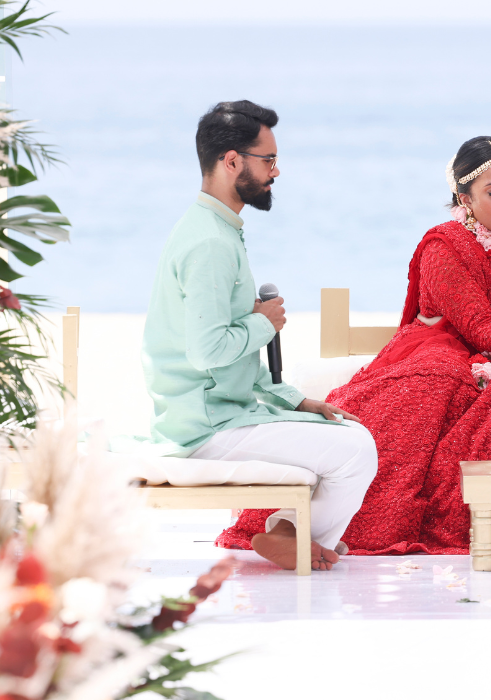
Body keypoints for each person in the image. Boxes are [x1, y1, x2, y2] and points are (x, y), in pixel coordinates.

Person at [217, 136, 491, 555]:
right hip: (447, 354)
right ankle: (300, 527)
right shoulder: (444, 245)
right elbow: (478, 326)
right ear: (465, 200)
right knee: (423, 396)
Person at [144, 101, 376, 571]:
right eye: (267, 160)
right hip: (204, 426)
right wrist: (263, 322)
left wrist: (293, 401)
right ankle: (289, 533)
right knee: (357, 450)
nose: (276, 171)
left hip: (221, 411)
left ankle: (290, 533)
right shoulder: (209, 242)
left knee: (345, 433)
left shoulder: (215, 230)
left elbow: (235, 360)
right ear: (232, 161)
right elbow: (208, 351)